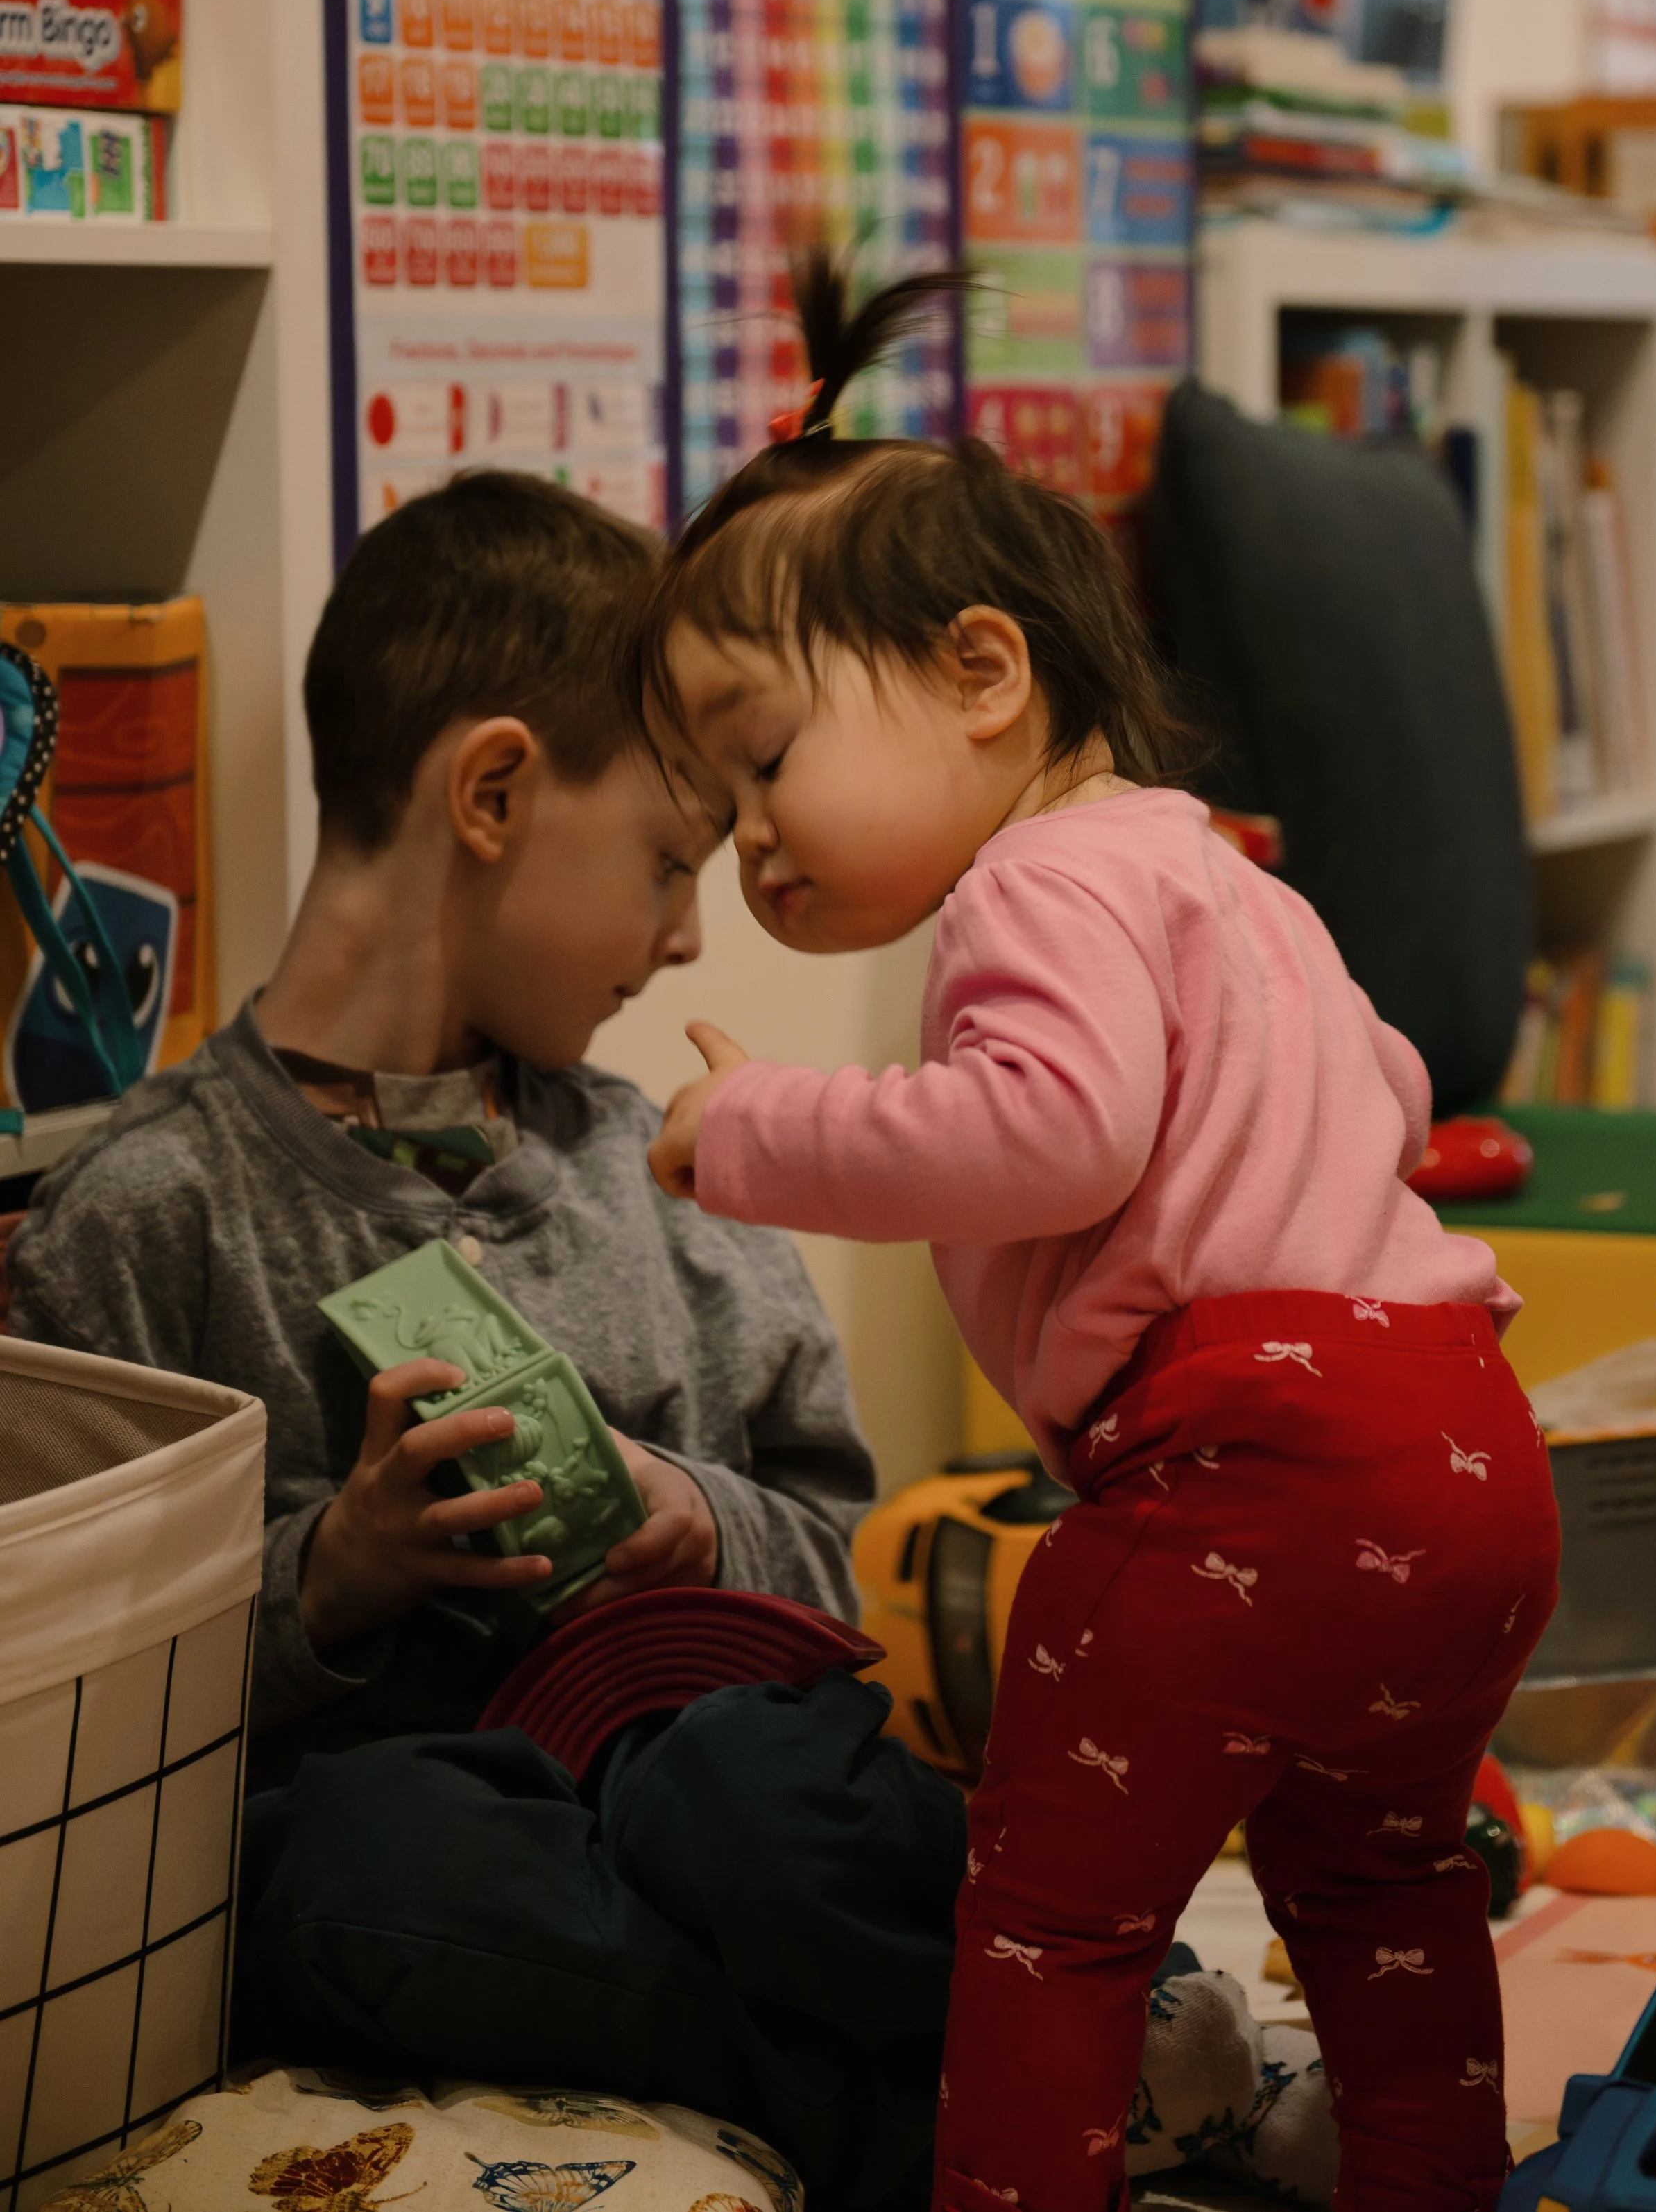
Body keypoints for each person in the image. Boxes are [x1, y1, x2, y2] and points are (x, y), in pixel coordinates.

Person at [635, 253, 1562, 2212]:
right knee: (1382, 1896)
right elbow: (1386, 1094)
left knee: (1049, 1920)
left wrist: (752, 1132)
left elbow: (1050, 1134)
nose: (755, 842)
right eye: (721, 810)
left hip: (1257, 1476)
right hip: (1467, 1457)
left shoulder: (1028, 888)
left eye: (768, 759)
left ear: (983, 674)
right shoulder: (1216, 873)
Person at [8, 471, 875, 1783]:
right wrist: (329, 1574)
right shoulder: (149, 1220)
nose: (690, 935)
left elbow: (834, 1561)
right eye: (667, 860)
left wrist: (702, 1523)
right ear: (492, 796)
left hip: (707, 1835)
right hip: (377, 1910)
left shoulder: (662, 1180)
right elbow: (57, 1701)